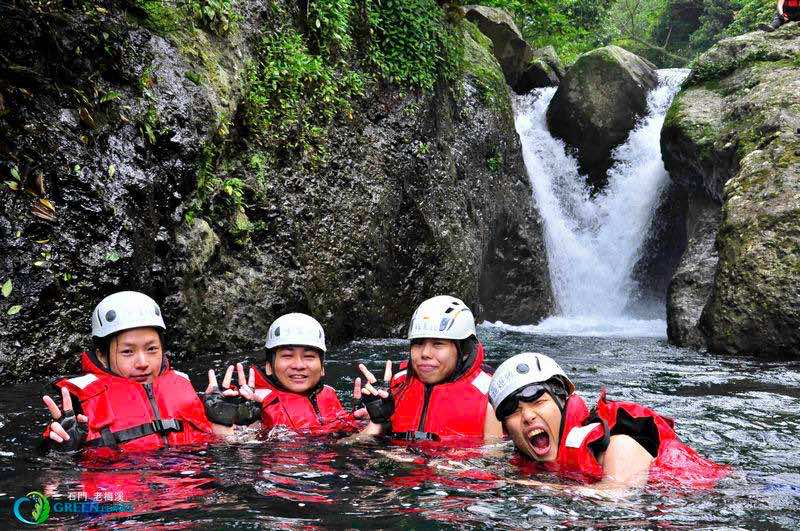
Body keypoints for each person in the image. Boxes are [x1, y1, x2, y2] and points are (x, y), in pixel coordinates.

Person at [488, 352, 728, 491]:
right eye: (514, 412)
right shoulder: (522, 460)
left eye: (538, 402)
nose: (528, 416)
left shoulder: (617, 445)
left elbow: (616, 498)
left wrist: (532, 486)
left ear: (562, 401)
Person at [41, 291, 229, 453]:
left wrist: (228, 422)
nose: (142, 363)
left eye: (152, 349)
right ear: (102, 356)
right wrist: (63, 449)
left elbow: (223, 447)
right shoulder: (77, 409)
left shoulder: (184, 386)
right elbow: (52, 469)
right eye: (127, 352)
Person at [356, 295, 503, 442]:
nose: (425, 353)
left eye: (438, 344)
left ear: (465, 351)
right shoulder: (397, 385)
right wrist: (375, 422)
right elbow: (354, 446)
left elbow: (496, 455)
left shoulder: (492, 396)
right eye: (418, 343)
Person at [217, 313, 360, 434]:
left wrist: (369, 421)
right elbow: (236, 450)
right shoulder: (252, 403)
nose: (299, 365)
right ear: (269, 367)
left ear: (322, 367)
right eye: (287, 356)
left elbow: (348, 440)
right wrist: (226, 424)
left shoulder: (328, 394)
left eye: (309, 356)